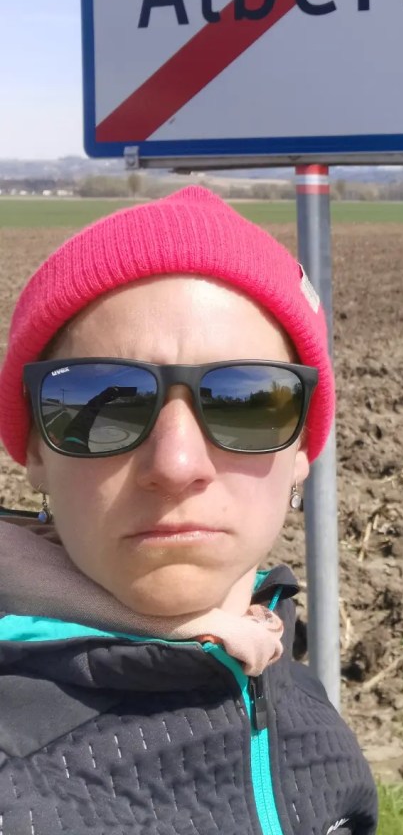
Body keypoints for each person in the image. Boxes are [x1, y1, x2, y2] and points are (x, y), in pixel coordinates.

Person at [0, 187, 378, 835]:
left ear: (300, 452)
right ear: (36, 447)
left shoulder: (298, 704)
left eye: (247, 403)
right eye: (102, 401)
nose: (176, 464)